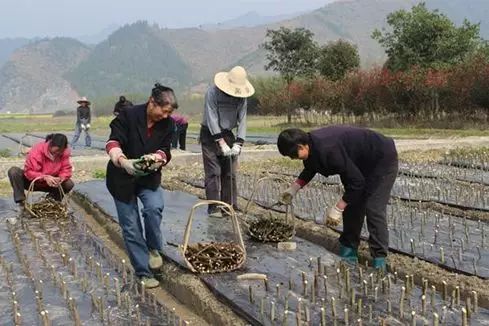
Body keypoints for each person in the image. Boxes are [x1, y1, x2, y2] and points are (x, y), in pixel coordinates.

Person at [277, 126, 398, 270]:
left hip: (381, 159)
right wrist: (294, 188)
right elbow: (310, 167)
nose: (293, 159)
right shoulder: (312, 145)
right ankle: (349, 247)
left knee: (373, 208)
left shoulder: (329, 149)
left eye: (293, 155)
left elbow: (357, 183)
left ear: (301, 146)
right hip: (357, 162)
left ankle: (379, 258)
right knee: (353, 204)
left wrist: (338, 207)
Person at [105, 83, 176, 288]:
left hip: (148, 177)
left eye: (169, 113)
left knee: (154, 208)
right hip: (121, 179)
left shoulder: (168, 124)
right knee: (131, 226)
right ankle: (144, 272)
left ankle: (154, 248)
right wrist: (122, 160)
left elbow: (166, 149)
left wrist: (157, 158)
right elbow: (112, 142)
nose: (165, 116)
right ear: (152, 103)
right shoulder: (128, 116)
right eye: (163, 111)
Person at [200, 66, 255, 218]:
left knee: (230, 173)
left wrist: (239, 142)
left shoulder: (241, 97)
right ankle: (214, 207)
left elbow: (243, 119)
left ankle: (229, 207)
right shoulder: (212, 92)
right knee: (214, 172)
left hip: (228, 133)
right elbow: (211, 118)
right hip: (210, 134)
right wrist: (221, 142)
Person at [8, 133, 74, 208]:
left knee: (69, 184)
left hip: (51, 184)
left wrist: (60, 178)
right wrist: (44, 177)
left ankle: (51, 201)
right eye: (56, 151)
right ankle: (21, 202)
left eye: (60, 151)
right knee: (14, 171)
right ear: (50, 145)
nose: (57, 153)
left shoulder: (64, 153)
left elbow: (66, 169)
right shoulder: (37, 150)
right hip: (32, 182)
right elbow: (29, 172)